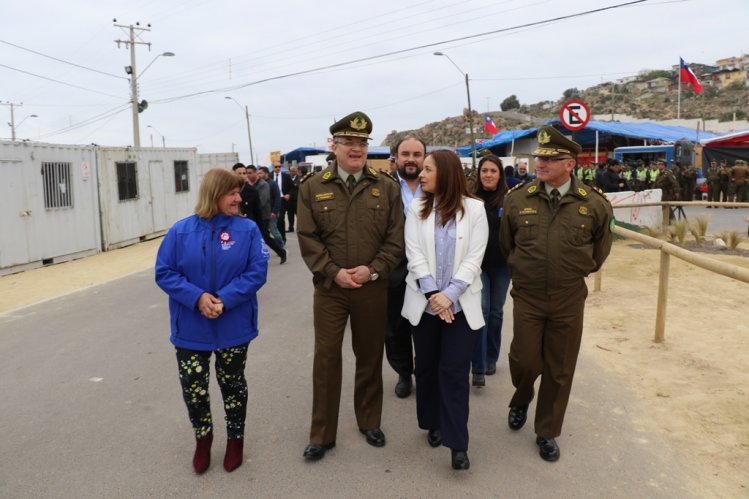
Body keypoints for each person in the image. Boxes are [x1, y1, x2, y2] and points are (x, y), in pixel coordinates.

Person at [500, 126, 613, 463]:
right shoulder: (517, 198)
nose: (541, 163)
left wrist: (573, 273)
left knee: (560, 367)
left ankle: (546, 430)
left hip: (567, 297)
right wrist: (524, 272)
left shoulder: (594, 203)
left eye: (550, 159)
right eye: (540, 157)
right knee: (525, 359)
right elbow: (507, 245)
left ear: (570, 164)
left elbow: (600, 252)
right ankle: (521, 396)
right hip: (529, 295)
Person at [297, 111, 405, 461]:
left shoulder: (386, 187)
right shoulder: (312, 187)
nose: (356, 149)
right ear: (335, 145)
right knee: (326, 360)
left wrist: (373, 270)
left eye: (362, 143)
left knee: (370, 357)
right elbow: (307, 237)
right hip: (330, 290)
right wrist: (332, 271)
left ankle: (369, 421)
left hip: (372, 288)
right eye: (349, 142)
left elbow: (396, 239)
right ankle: (322, 434)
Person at [154, 168, 269, 474]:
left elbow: (257, 271)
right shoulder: (180, 231)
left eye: (239, 191)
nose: (238, 197)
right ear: (213, 194)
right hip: (191, 327)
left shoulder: (248, 230)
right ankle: (203, 439)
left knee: (233, 385)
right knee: (194, 387)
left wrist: (224, 299)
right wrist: (197, 298)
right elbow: (164, 272)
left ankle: (235, 440)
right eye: (231, 192)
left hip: (234, 325)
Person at [401, 149, 488, 470]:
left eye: (427, 170)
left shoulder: (475, 210)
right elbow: (413, 253)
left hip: (460, 305)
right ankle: (432, 421)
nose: (420, 175)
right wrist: (433, 294)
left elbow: (474, 258)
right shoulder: (416, 208)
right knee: (425, 367)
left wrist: (449, 296)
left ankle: (457, 443)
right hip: (424, 302)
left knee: (453, 371)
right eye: (421, 170)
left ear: (447, 173)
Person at [385, 135, 426, 399]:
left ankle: (424, 373)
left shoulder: (437, 186)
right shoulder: (384, 187)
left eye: (417, 154)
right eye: (405, 154)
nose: (411, 159)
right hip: (394, 271)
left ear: (424, 158)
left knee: (426, 327)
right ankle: (403, 372)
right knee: (395, 328)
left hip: (430, 272)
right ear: (396, 158)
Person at [469, 154, 510, 387]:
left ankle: (491, 357)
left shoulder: (510, 199)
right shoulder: (470, 198)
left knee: (496, 312)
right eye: (484, 170)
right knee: (482, 311)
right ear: (479, 173)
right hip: (478, 266)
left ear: (500, 174)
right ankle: (479, 365)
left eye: (493, 171)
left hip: (503, 266)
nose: (488, 175)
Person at [246, 165, 287, 263]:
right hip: (252, 215)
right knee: (256, 237)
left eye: (250, 173)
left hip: (262, 216)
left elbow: (262, 201)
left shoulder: (263, 184)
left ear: (255, 173)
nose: (248, 175)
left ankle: (281, 252)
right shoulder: (249, 184)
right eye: (246, 173)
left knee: (265, 237)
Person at [259, 166, 287, 249]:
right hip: (263, 213)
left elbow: (278, 198)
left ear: (266, 173)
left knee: (274, 232)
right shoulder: (259, 184)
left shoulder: (272, 183)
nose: (259, 174)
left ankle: (281, 247)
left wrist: (274, 211)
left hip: (272, 213)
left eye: (261, 173)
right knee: (265, 233)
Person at [272, 161, 293, 241]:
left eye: (279, 166)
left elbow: (292, 187)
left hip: (282, 199)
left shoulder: (286, 176)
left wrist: (289, 194)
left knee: (280, 218)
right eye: (276, 167)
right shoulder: (270, 176)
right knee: (274, 220)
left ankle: (282, 238)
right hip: (272, 200)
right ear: (273, 167)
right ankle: (277, 237)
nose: (278, 168)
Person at [286, 165, 301, 232]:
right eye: (291, 171)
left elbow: (296, 186)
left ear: (296, 171)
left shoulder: (299, 178)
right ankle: (291, 227)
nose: (292, 172)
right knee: (290, 215)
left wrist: (292, 185)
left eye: (294, 171)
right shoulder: (287, 178)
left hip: (297, 200)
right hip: (289, 200)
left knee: (299, 214)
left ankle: (301, 228)